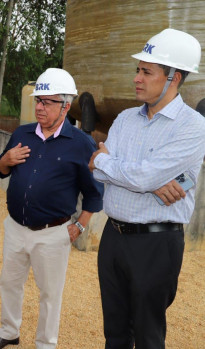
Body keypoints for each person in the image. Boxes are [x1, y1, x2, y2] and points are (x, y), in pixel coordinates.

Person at [89, 28, 205, 349]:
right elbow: (104, 175)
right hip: (113, 239)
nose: (137, 78)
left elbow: (137, 176)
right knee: (114, 335)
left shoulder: (193, 126)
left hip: (157, 245)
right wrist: (145, 178)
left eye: (147, 71)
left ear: (174, 78)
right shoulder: (125, 118)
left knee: (148, 336)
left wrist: (107, 163)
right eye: (137, 70)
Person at [0, 68, 104, 349]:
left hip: (53, 233)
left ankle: (46, 344)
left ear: (66, 105)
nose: (39, 107)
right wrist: (7, 159)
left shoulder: (81, 144)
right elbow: (1, 169)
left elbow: (95, 192)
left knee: (50, 294)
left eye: (47, 102)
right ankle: (9, 332)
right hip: (15, 227)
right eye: (38, 100)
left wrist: (80, 226)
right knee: (9, 284)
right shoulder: (22, 133)